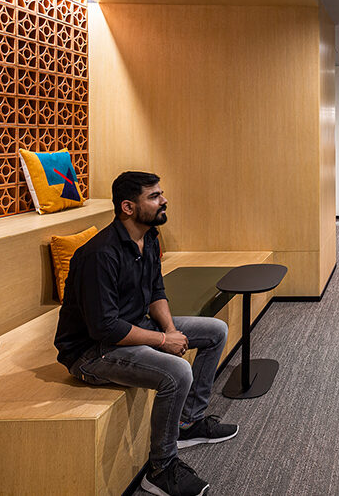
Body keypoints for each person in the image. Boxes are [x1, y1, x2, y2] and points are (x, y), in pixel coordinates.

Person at [55, 171, 237, 496]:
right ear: (128, 207)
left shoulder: (149, 237)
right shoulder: (99, 255)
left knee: (215, 331)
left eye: (161, 194)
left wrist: (169, 329)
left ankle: (188, 423)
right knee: (178, 372)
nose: (163, 200)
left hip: (136, 327)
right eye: (154, 196)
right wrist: (163, 341)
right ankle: (161, 468)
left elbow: (156, 290)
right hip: (93, 351)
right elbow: (105, 327)